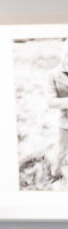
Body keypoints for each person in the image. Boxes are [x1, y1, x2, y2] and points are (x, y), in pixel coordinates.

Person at [48, 40, 68, 179]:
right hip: (65, 121)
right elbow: (51, 101)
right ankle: (54, 176)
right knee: (60, 152)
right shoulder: (52, 75)